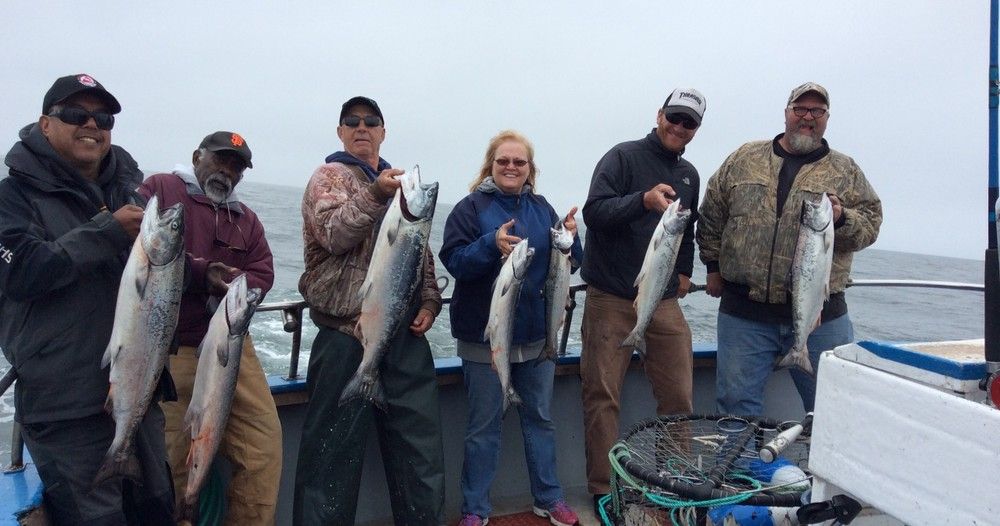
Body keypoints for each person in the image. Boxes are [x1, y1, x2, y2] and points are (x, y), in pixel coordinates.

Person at [0, 74, 174, 524]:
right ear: (45, 123)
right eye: (76, 114)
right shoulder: (12, 198)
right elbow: (20, 271)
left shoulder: (127, 192)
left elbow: (142, 278)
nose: (92, 124)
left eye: (104, 118)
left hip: (137, 396)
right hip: (65, 406)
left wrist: (191, 268)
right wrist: (107, 231)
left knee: (158, 509)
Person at [292, 96, 445, 525]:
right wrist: (376, 193)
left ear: (383, 131)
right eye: (352, 121)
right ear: (340, 131)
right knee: (330, 460)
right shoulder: (329, 177)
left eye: (371, 121)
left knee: (421, 455)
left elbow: (418, 254)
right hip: (344, 337)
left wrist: (430, 302)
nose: (362, 127)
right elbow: (333, 233)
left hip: (404, 337)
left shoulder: (403, 192)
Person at [697, 82, 882, 417]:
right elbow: (711, 215)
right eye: (800, 109)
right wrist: (712, 266)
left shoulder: (846, 171)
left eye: (817, 111)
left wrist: (842, 219)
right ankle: (739, 455)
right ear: (786, 113)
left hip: (823, 319)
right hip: (744, 316)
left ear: (827, 118)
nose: (807, 117)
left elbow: (871, 226)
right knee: (736, 413)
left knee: (833, 411)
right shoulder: (744, 158)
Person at [439, 130, 584, 526]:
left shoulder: (543, 208)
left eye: (519, 162)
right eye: (503, 160)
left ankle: (549, 498)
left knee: (541, 420)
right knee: (483, 427)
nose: (511, 167)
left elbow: (571, 262)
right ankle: (475, 509)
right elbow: (455, 261)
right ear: (491, 164)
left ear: (529, 168)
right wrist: (490, 244)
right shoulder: (469, 209)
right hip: (485, 341)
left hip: (538, 340)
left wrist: (572, 239)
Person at [138, 131, 282, 525]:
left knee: (263, 447)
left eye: (237, 167)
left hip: (231, 347)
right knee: (171, 455)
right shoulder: (160, 189)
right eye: (220, 160)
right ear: (196, 156)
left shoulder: (246, 220)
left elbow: (263, 272)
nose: (227, 171)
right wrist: (203, 275)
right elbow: (141, 248)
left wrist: (234, 287)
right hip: (170, 346)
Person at [580, 88, 706, 515]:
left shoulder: (689, 174)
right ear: (659, 115)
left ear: (696, 130)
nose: (679, 127)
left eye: (689, 123)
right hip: (610, 297)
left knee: (678, 397)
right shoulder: (622, 157)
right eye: (675, 117)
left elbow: (686, 230)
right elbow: (595, 213)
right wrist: (642, 201)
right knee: (602, 395)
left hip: (663, 301)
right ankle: (604, 488)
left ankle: (673, 480)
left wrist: (684, 271)